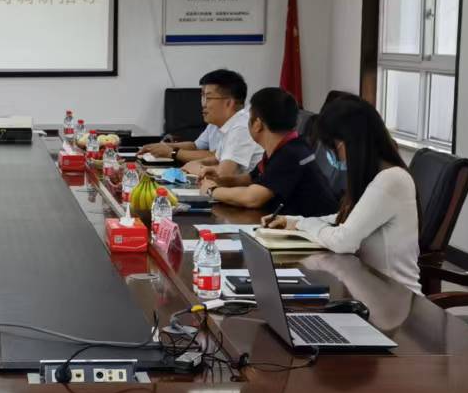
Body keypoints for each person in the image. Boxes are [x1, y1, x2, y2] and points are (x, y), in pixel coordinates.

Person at [263, 95, 420, 292]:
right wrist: (293, 221)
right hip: (367, 287)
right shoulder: (375, 175)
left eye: (331, 148)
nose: (333, 156)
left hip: (395, 297)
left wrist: (305, 224)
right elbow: (346, 218)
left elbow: (343, 241)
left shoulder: (391, 180)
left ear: (344, 144)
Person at [199, 87, 339, 218]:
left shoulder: (292, 153)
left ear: (257, 124)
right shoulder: (284, 147)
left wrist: (213, 191)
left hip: (312, 230)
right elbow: (249, 179)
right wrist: (219, 180)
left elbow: (253, 198)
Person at [143, 69, 263, 179]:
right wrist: (196, 162)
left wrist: (177, 156)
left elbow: (224, 174)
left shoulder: (242, 126)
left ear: (229, 103)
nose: (203, 104)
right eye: (202, 97)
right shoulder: (224, 123)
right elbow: (214, 157)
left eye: (208, 98)